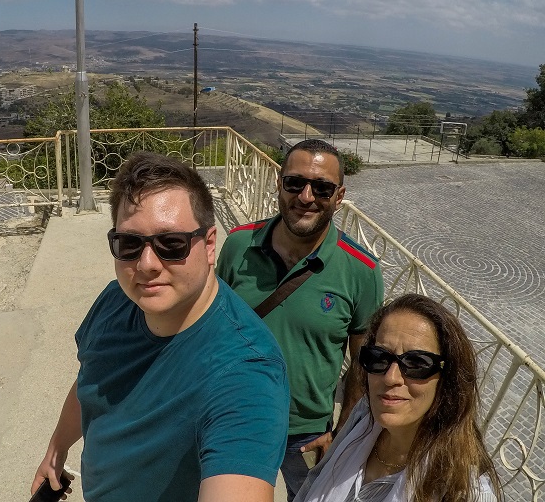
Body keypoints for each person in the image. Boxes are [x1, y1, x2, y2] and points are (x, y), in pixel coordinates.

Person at [31, 151, 290, 502]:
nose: (147, 264)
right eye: (129, 244)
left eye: (171, 244)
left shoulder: (245, 373)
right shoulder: (117, 301)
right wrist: (57, 449)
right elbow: (92, 376)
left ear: (210, 244)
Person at [216, 138, 384, 500]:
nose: (306, 197)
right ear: (279, 184)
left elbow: (363, 363)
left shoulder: (361, 271)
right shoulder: (238, 246)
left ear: (339, 197)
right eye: (295, 183)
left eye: (321, 188)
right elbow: (212, 327)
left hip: (306, 434)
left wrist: (341, 435)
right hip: (234, 414)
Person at [296, 293, 502, 502]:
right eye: (378, 357)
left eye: (416, 364)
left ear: (448, 379)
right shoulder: (365, 413)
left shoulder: (466, 493)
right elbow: (314, 480)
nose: (390, 377)